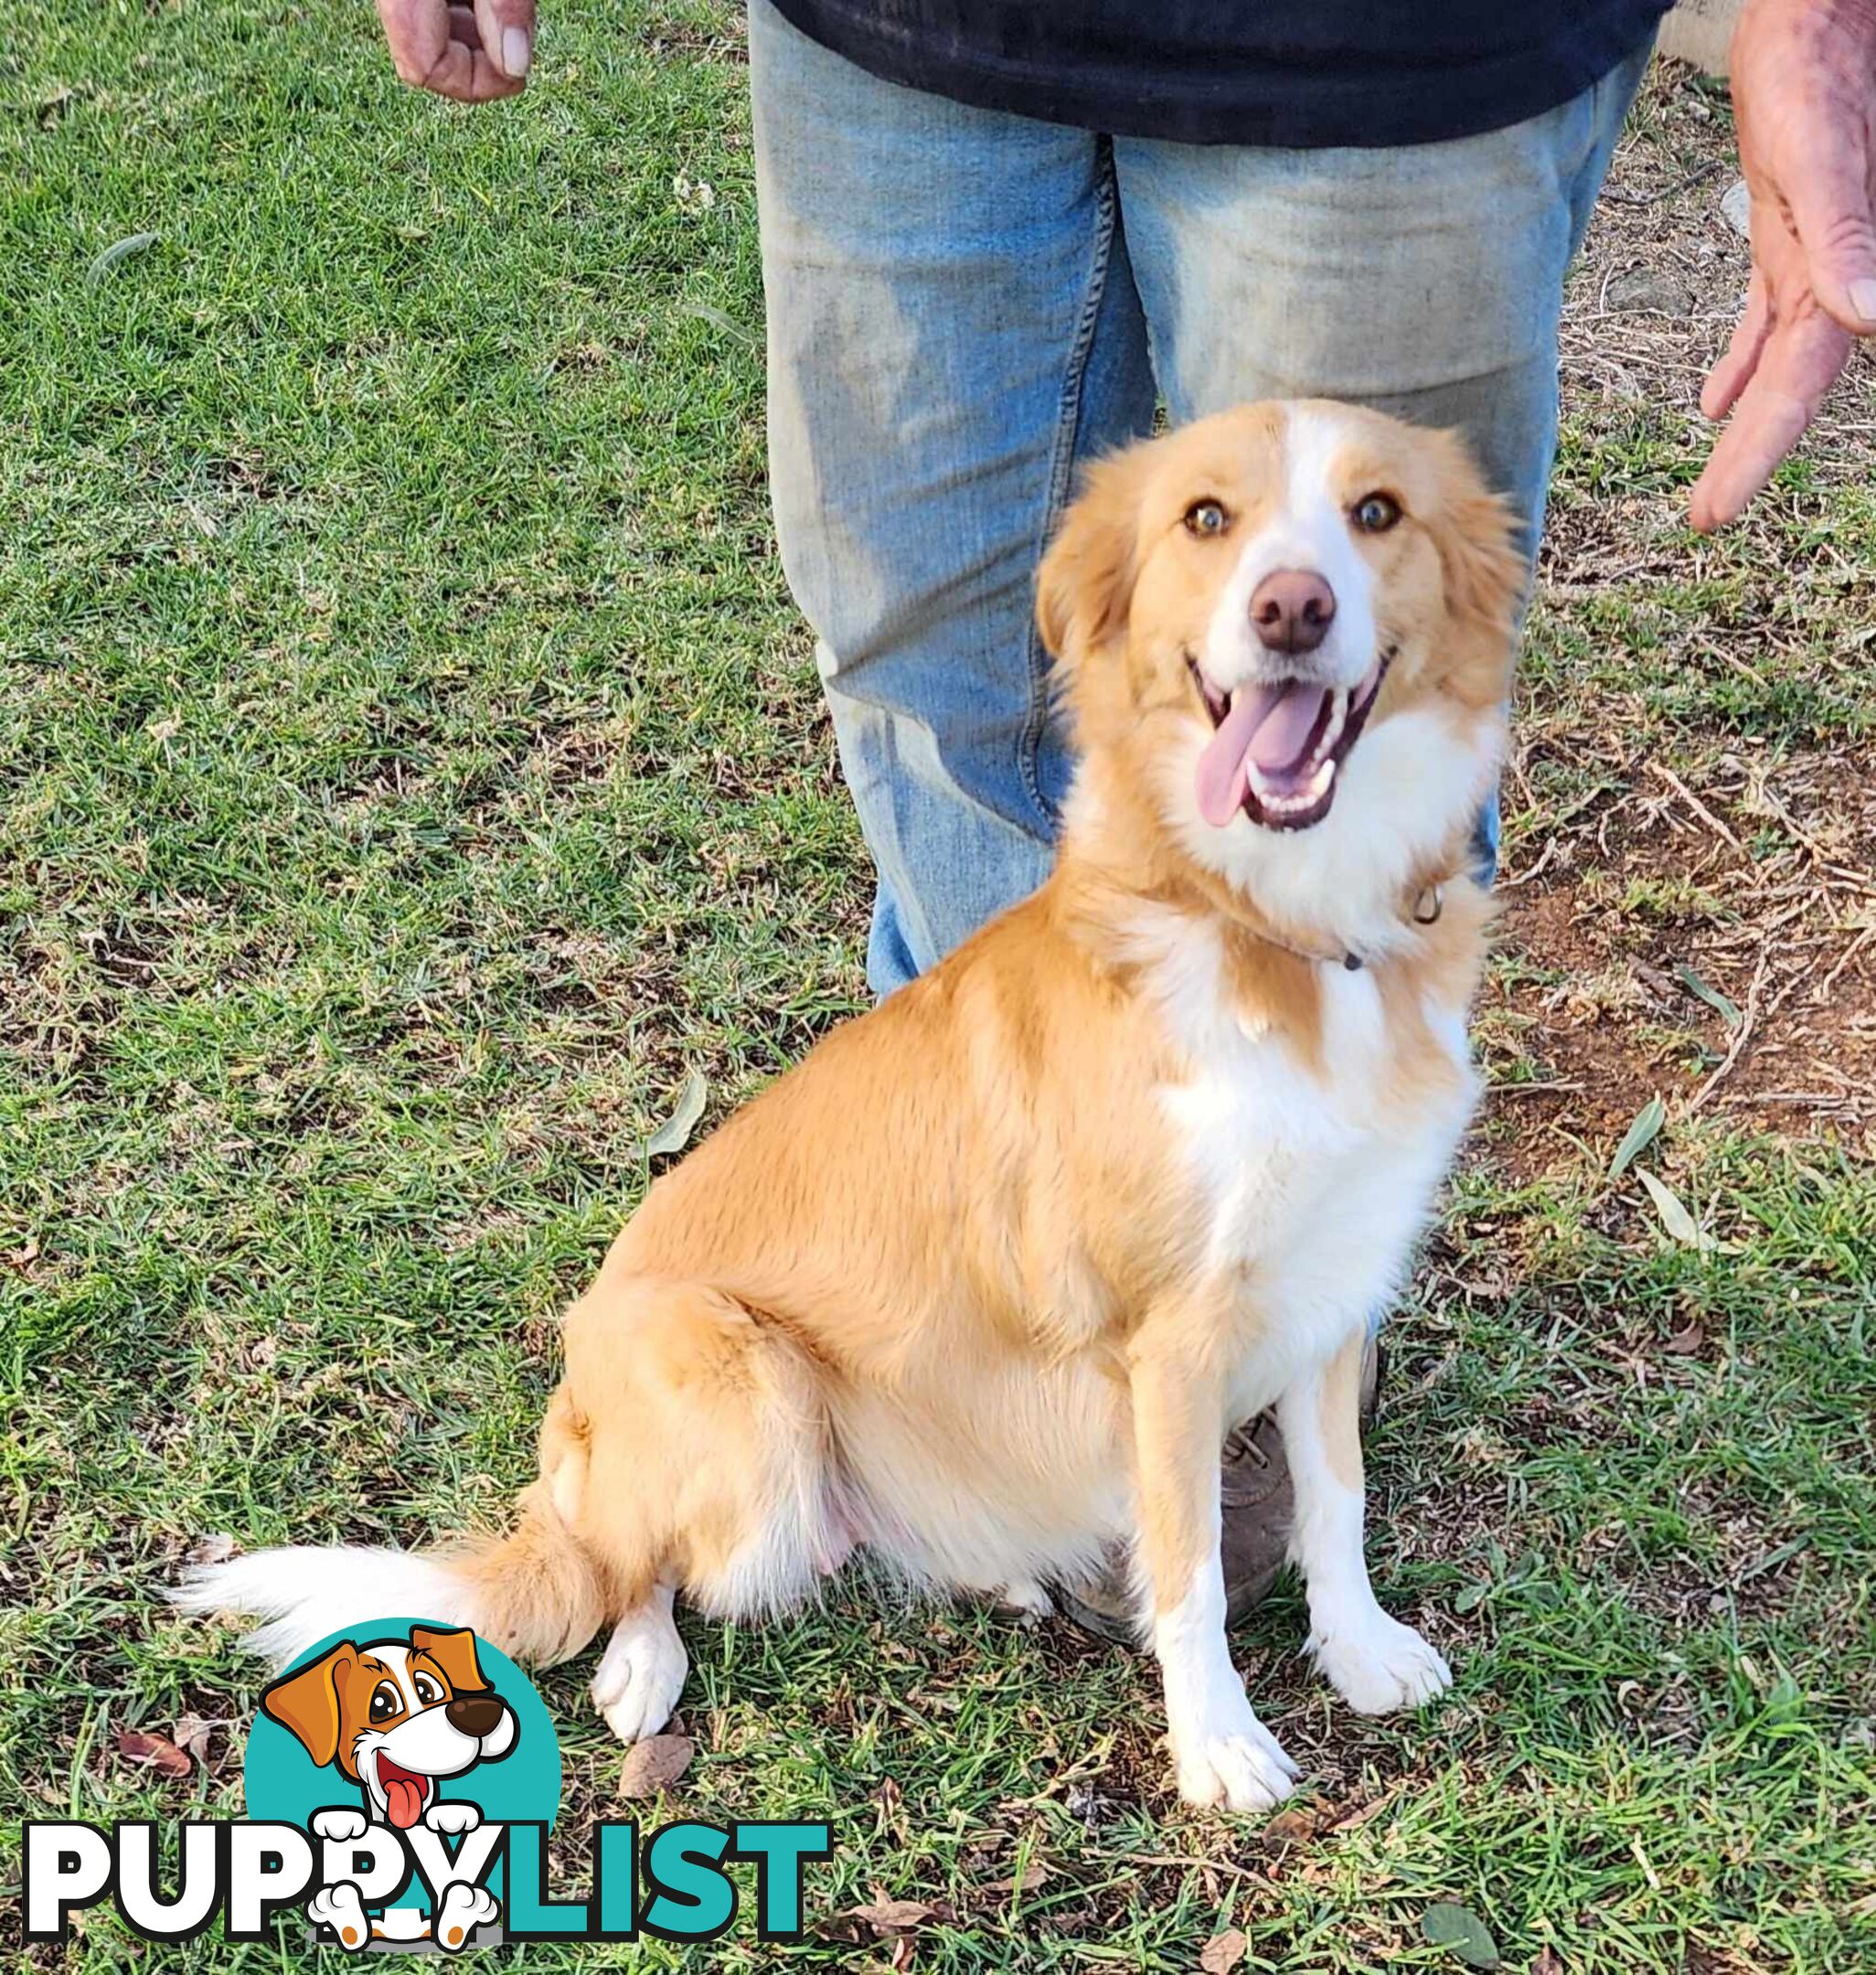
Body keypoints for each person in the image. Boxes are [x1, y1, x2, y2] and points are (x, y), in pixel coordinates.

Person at [368, 0, 1876, 1630]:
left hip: (1397, 53)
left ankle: (1251, 1322)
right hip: (896, 42)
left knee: (1353, 676)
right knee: (935, 671)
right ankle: (1014, 1357)